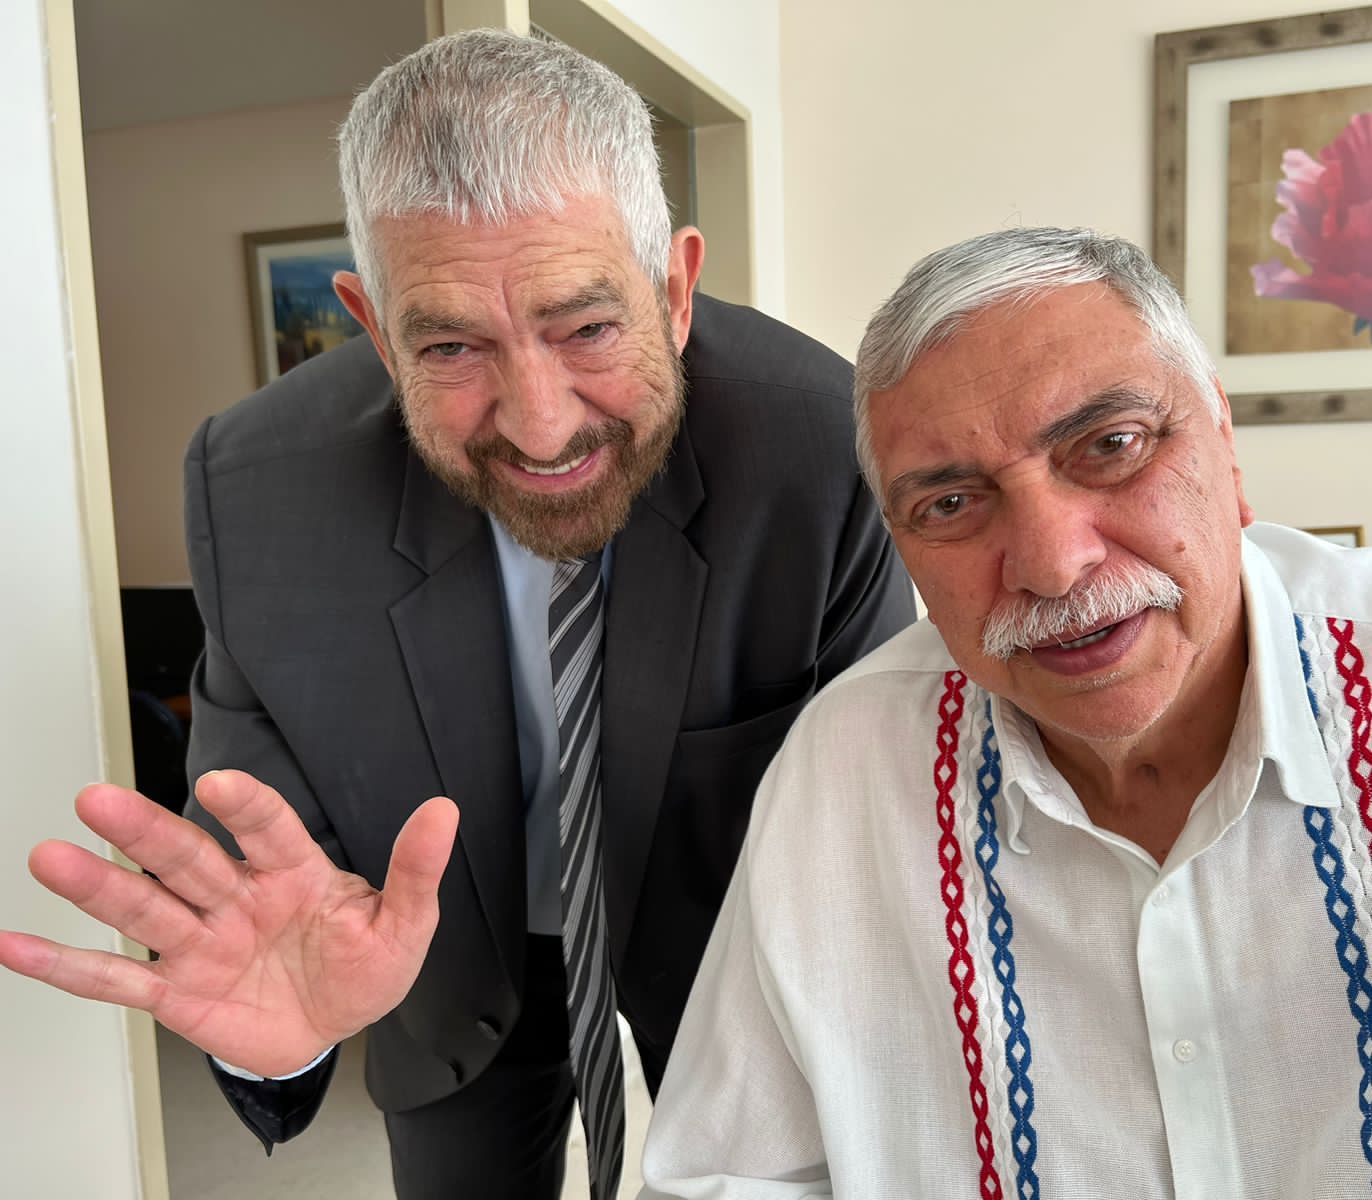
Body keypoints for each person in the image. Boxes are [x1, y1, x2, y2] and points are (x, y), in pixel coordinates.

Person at [0, 28, 911, 1200]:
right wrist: (268, 1016)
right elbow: (264, 850)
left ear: (677, 288)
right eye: (449, 345)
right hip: (432, 958)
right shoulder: (255, 486)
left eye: (587, 327)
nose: (539, 426)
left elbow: (881, 816)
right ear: (374, 332)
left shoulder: (821, 446)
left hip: (722, 940)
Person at [635, 227, 1372, 1197]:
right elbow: (727, 1175)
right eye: (952, 504)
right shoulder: (846, 769)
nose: (1052, 564)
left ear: (1222, 437)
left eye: (1109, 447)